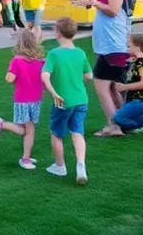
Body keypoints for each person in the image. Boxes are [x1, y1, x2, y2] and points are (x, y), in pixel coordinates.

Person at [71, 0, 133, 134]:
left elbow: (113, 9)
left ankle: (114, 125)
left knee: (102, 86)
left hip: (113, 45)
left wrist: (95, 3)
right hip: (110, 45)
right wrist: (90, 2)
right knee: (112, 87)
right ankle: (125, 123)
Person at [41, 16, 93, 185]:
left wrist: (54, 93)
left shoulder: (54, 54)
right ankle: (80, 165)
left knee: (57, 133)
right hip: (81, 99)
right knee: (77, 131)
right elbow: (89, 76)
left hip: (62, 101)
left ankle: (60, 166)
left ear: (57, 33)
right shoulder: (80, 53)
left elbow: (45, 76)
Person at [0, 29, 46, 169]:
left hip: (27, 99)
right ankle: (2, 124)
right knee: (28, 130)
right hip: (30, 100)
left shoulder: (18, 61)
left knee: (27, 129)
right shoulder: (39, 61)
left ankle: (25, 156)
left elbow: (10, 78)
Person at [101, 34, 143, 135]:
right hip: (133, 100)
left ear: (138, 47)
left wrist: (125, 87)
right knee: (121, 123)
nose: (126, 49)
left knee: (118, 118)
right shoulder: (134, 60)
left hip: (142, 101)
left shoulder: (140, 62)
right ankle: (133, 125)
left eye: (129, 46)